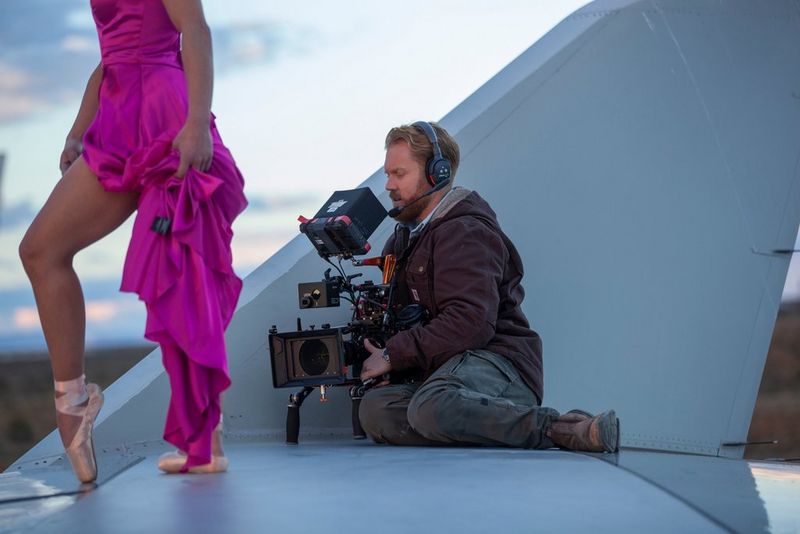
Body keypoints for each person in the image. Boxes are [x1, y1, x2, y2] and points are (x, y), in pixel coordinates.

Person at [18, 0, 247, 482]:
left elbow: (195, 29)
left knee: (181, 275)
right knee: (40, 250)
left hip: (166, 116)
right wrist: (77, 131)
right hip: (117, 119)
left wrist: (197, 122)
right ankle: (73, 400)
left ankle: (206, 444)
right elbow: (108, 59)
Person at [358, 121, 619, 452]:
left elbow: (471, 323)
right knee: (376, 410)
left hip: (498, 363)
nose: (388, 185)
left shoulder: (466, 231)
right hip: (444, 372)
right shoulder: (403, 242)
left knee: (431, 408)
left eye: (399, 174)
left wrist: (393, 355)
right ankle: (472, 423)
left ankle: (562, 428)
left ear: (437, 173)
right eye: (387, 174)